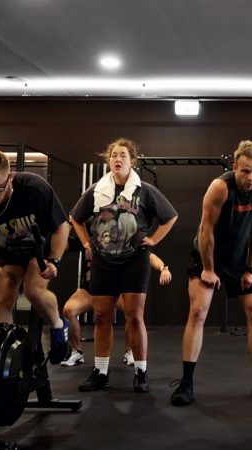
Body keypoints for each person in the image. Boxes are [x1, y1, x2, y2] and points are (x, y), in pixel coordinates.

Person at [170, 140, 252, 406]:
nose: (251, 177)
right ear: (235, 167)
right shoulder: (220, 187)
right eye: (245, 171)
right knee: (198, 312)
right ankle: (186, 384)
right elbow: (205, 230)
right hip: (206, 257)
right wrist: (208, 269)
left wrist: (251, 268)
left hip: (238, 261)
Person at [70, 138, 177, 393]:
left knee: (134, 317)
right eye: (114, 155)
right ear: (109, 160)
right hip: (103, 261)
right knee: (102, 316)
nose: (117, 159)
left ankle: (141, 371)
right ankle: (101, 371)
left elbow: (170, 217)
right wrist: (86, 243)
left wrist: (153, 239)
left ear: (132, 161)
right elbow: (75, 218)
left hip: (134, 260)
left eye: (123, 156)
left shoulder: (145, 191)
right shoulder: (97, 190)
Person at [0, 150, 70, 364]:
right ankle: (1, 360)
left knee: (34, 291)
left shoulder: (34, 188)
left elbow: (62, 226)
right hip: (8, 249)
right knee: (2, 296)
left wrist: (54, 261)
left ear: (10, 177)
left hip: (39, 248)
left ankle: (59, 325)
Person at [60, 249, 172, 367]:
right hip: (90, 290)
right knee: (68, 310)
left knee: (132, 313)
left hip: (117, 291)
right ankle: (76, 352)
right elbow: (62, 243)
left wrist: (163, 268)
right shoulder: (87, 241)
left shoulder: (122, 241)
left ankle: (130, 351)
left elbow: (148, 255)